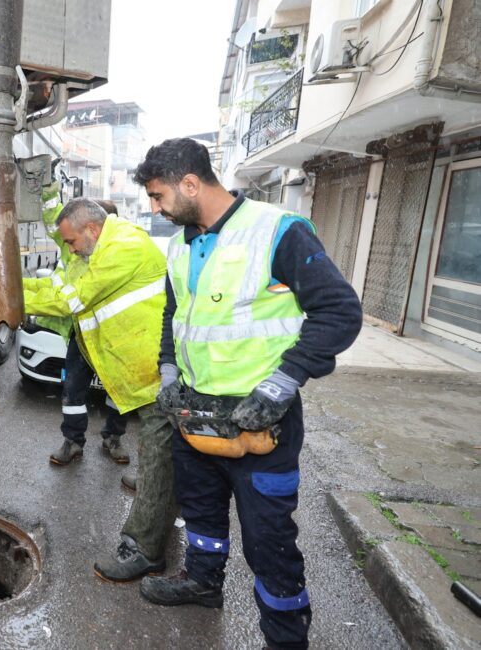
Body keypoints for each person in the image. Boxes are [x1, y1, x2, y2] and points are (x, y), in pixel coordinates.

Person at [132, 138, 362, 650]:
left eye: (158, 196)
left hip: (262, 421)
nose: (154, 207)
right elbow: (176, 316)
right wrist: (169, 375)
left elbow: (339, 312)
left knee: (269, 540)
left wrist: (282, 384)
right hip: (195, 414)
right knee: (200, 511)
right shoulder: (181, 244)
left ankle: (284, 638)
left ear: (190, 184)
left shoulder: (277, 232)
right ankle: (203, 582)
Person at [23, 197, 181, 582]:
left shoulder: (123, 247)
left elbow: (70, 300)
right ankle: (157, 496)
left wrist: (11, 292)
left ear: (91, 230)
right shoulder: (100, 246)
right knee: (158, 452)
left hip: (153, 375)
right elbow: (70, 276)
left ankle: (144, 548)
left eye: (74, 241)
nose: (71, 249)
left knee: (160, 456)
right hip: (143, 371)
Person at [26, 185, 130, 466]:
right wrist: (47, 188)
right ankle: (73, 441)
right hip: (82, 335)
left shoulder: (118, 258)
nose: (73, 246)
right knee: (72, 390)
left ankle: (113, 437)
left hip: (112, 337)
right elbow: (54, 222)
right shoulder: (74, 251)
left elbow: (69, 300)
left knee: (117, 392)